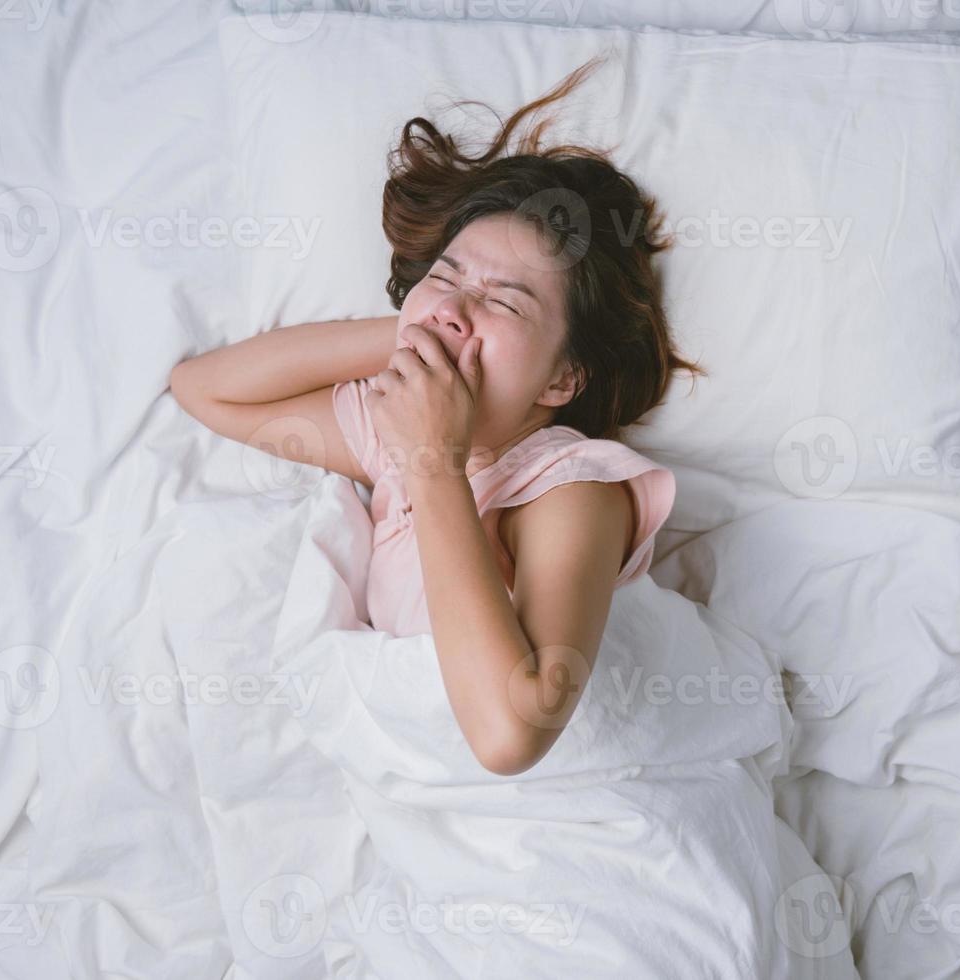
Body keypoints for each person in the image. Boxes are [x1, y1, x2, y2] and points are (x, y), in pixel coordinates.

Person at [169, 56, 704, 777]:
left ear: (564, 376)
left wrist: (433, 462)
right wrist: (423, 328)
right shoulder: (394, 431)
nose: (456, 306)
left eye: (507, 302)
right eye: (446, 275)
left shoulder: (571, 490)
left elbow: (512, 735)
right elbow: (206, 390)